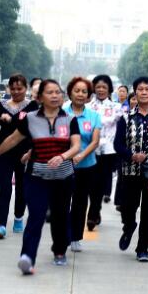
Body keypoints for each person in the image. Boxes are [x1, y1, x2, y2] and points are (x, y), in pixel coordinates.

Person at [0, 79, 80, 274]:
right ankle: (27, 257)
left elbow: (76, 145)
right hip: (36, 177)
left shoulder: (69, 120)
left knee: (60, 216)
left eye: (57, 92)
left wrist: (62, 156)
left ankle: (59, 251)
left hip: (63, 178)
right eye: (49, 92)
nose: (54, 96)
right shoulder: (31, 118)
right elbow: (11, 140)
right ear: (40, 97)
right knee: (36, 215)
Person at [115, 76, 148, 262]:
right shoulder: (126, 118)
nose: (144, 92)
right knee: (128, 207)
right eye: (140, 89)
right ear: (135, 93)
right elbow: (117, 144)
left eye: (147, 89)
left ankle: (142, 249)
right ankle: (128, 227)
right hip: (130, 170)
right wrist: (130, 155)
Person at [0, 74, 39, 238]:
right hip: (3, 152)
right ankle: (1, 225)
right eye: (13, 88)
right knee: (4, 188)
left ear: (26, 89)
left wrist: (10, 120)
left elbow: (31, 128)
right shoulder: (1, 105)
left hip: (24, 153)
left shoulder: (33, 106)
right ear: (8, 89)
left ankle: (19, 217)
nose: (16, 91)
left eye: (20, 88)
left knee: (21, 187)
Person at [65, 77, 101, 253]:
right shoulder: (61, 112)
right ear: (70, 92)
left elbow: (95, 142)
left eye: (84, 91)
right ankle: (63, 234)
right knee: (63, 201)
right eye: (77, 90)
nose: (80, 94)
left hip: (86, 165)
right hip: (63, 165)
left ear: (88, 95)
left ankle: (75, 237)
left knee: (80, 202)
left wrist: (80, 156)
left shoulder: (93, 116)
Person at [87, 75, 122, 225]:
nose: (101, 90)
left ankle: (94, 212)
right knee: (91, 183)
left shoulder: (117, 108)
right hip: (89, 150)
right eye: (98, 87)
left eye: (104, 87)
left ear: (109, 89)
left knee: (101, 183)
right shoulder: (87, 107)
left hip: (108, 150)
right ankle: (94, 209)